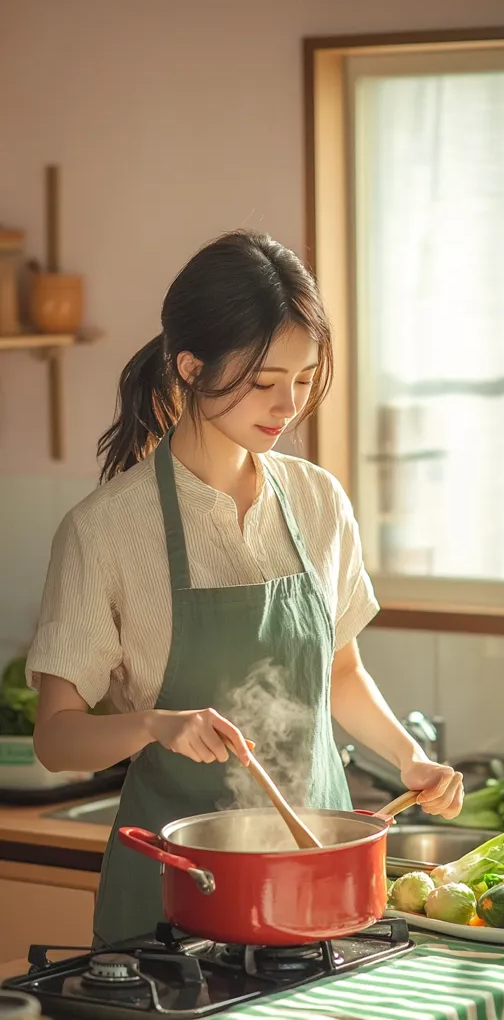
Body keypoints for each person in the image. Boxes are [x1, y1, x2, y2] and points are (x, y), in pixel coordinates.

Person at [28, 230, 463, 945]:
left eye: (303, 377)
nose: (288, 405)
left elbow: (340, 670)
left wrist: (407, 757)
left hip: (315, 879)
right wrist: (154, 724)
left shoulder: (319, 501)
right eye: (264, 382)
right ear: (191, 366)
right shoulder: (104, 530)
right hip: (178, 896)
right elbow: (55, 739)